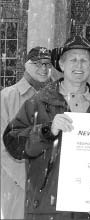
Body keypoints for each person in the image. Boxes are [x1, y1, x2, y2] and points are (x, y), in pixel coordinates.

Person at [3, 35, 90, 220]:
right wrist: (46, 131)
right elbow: (13, 143)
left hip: (86, 213)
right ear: (61, 65)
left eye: (84, 60)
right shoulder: (37, 103)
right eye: (73, 60)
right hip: (46, 209)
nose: (79, 65)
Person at [1, 46, 52, 220]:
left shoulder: (58, 97)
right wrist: (29, 181)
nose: (43, 68)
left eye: (47, 64)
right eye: (37, 63)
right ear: (26, 65)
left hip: (50, 187)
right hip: (17, 186)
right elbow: (4, 147)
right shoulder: (7, 97)